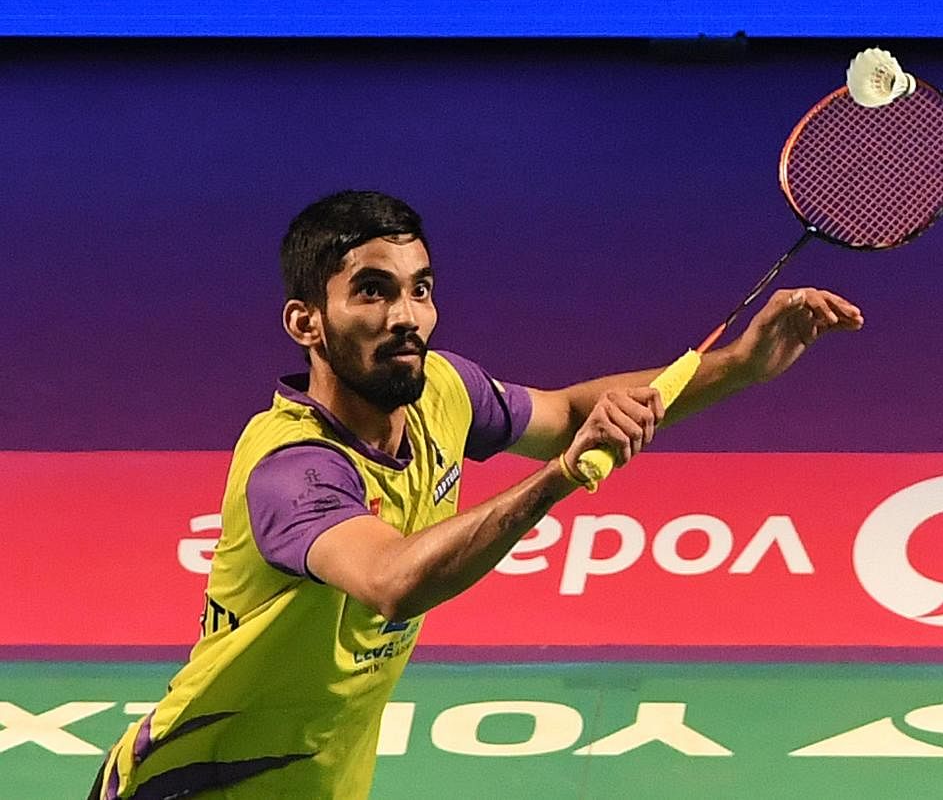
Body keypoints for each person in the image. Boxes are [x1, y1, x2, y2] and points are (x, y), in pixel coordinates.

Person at [89, 189, 863, 799]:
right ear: (307, 322)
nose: (406, 318)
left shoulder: (441, 392)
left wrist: (740, 365)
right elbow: (394, 582)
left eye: (419, 290)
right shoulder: (293, 468)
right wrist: (559, 479)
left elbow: (563, 414)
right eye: (372, 292)